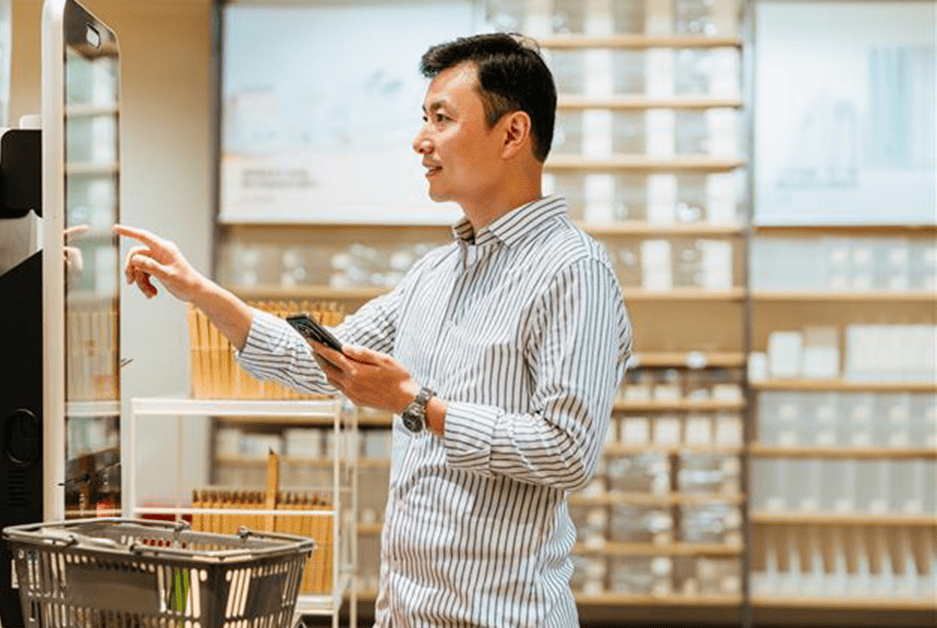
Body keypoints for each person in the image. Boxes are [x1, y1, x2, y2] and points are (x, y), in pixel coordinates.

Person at [116, 33, 632, 627]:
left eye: (442, 118)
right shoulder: (437, 273)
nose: (421, 140)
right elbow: (321, 360)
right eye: (423, 118)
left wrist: (415, 403)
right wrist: (199, 291)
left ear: (513, 133)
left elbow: (566, 450)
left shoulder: (573, 269)